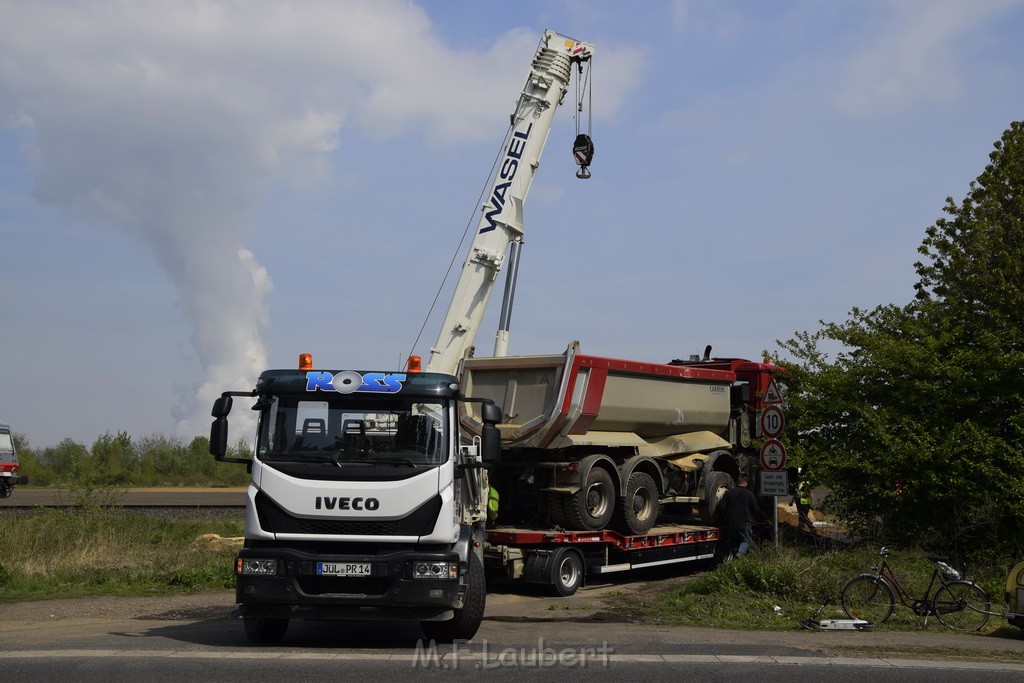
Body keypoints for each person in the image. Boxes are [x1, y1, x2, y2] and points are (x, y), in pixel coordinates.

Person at [715, 475, 766, 559]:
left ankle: (736, 560)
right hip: (743, 522)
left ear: (737, 483)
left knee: (733, 542)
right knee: (745, 540)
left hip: (730, 522)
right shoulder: (749, 494)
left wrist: (725, 517)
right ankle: (739, 555)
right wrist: (761, 520)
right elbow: (755, 509)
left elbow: (721, 507)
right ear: (745, 484)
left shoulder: (728, 493)